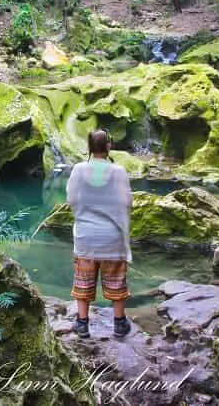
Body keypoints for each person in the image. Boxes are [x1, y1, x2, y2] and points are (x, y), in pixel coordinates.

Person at [66, 129, 133, 339]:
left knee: (83, 278)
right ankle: (120, 324)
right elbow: (127, 203)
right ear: (108, 146)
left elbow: (71, 200)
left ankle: (82, 324)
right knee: (116, 278)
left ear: (88, 148)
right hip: (113, 236)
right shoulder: (119, 171)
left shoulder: (78, 170)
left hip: (86, 236)